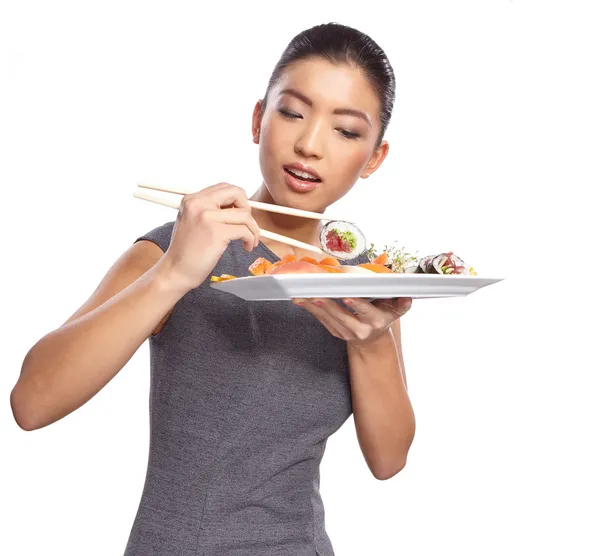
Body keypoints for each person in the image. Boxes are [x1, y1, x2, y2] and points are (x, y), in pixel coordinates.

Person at [11, 22, 415, 556]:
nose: (309, 145)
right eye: (292, 112)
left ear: (374, 158)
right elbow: (31, 404)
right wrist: (174, 274)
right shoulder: (176, 248)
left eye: (345, 131)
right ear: (258, 118)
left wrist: (370, 340)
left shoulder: (364, 280)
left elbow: (389, 460)